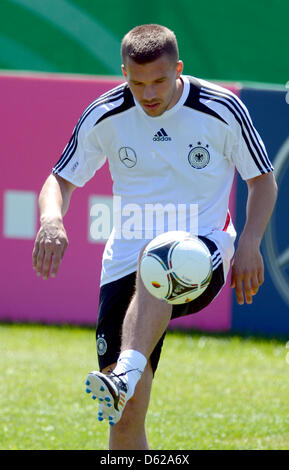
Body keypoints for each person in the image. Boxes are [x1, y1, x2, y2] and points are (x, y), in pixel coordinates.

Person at [32, 24, 277, 450]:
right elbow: (60, 180)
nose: (148, 93)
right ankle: (127, 374)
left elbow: (262, 180)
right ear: (123, 72)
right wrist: (51, 219)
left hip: (203, 250)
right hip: (123, 263)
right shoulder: (105, 113)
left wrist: (251, 242)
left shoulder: (221, 108)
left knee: (158, 255)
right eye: (136, 81)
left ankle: (125, 368)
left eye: (159, 81)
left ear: (178, 69)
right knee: (124, 418)